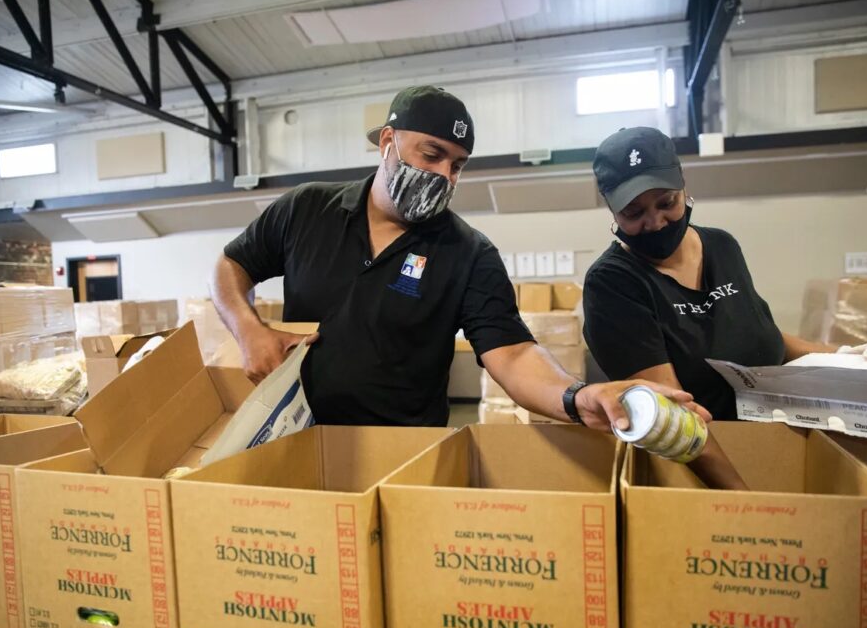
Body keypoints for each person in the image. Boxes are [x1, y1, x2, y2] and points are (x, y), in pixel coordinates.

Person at [211, 87, 709, 434]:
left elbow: (512, 354)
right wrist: (247, 329)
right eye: (431, 154)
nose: (444, 174)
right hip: (301, 434)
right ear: (389, 142)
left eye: (457, 165)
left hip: (405, 453)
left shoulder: (468, 253)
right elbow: (231, 265)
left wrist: (576, 398)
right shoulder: (306, 209)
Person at [583, 126, 867, 488]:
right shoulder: (612, 284)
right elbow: (676, 418)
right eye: (633, 212)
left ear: (683, 185)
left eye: (667, 203)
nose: (655, 222)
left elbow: (757, 332)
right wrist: (745, 501)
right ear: (611, 209)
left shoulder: (722, 246)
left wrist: (846, 359)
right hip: (698, 468)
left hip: (771, 446)